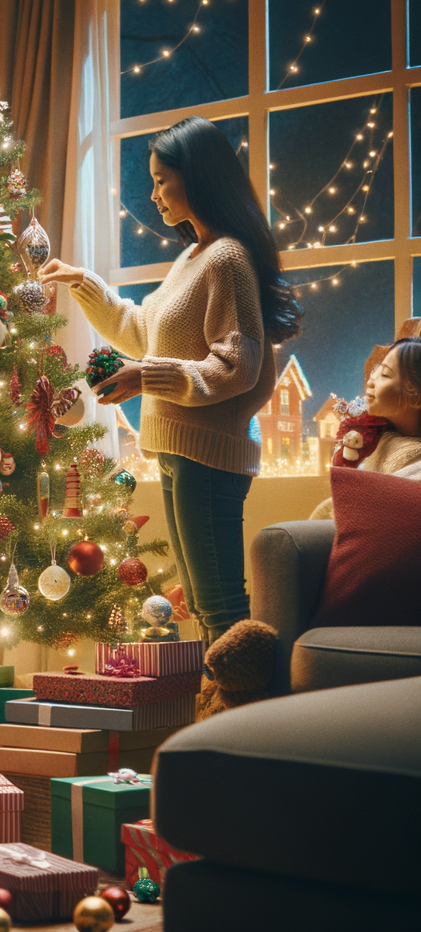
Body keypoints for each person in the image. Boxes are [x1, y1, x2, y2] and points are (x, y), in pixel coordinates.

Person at [39, 116, 302, 644]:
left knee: (220, 606)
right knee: (205, 609)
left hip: (209, 454)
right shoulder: (193, 255)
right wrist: (85, 284)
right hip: (182, 451)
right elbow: (143, 334)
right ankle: (224, 709)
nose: (153, 194)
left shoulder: (227, 257)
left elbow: (235, 366)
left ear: (197, 176)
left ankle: (246, 715)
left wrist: (146, 377)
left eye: (162, 179)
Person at [311, 337, 421, 519]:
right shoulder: (376, 439)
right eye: (376, 371)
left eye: (385, 375)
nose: (371, 381)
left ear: (416, 398)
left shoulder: (413, 460)